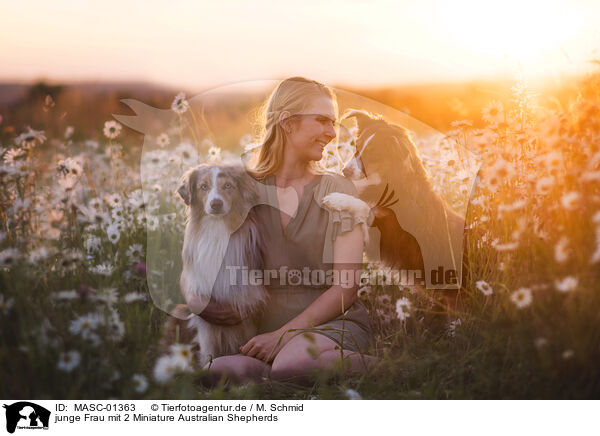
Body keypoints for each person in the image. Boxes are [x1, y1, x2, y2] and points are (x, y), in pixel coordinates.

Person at [198, 77, 376, 384]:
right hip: (263, 332)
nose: (332, 134)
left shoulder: (338, 188)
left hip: (333, 324)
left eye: (332, 123)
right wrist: (204, 303)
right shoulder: (244, 189)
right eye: (322, 121)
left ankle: (396, 367)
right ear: (287, 122)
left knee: (290, 365)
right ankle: (284, 373)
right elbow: (204, 260)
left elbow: (345, 288)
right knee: (221, 370)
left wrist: (285, 335)